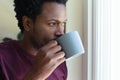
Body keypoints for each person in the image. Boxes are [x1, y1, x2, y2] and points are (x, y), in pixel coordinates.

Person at [0, 0, 68, 80]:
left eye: (63, 23)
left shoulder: (58, 61)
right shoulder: (2, 58)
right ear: (27, 23)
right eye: (52, 23)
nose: (61, 32)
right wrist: (37, 74)